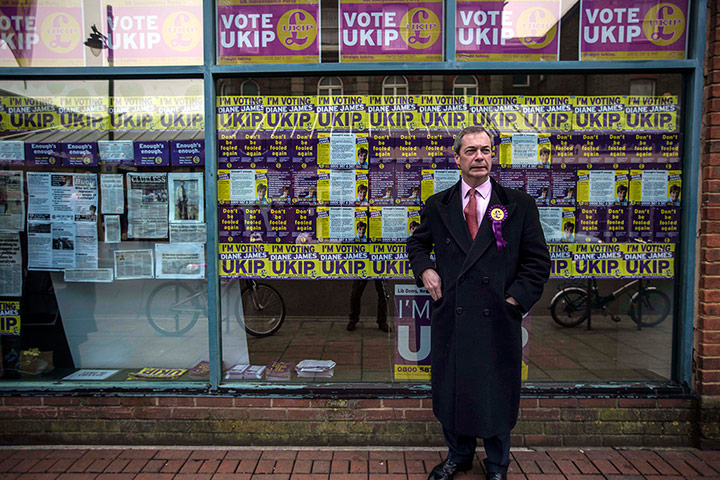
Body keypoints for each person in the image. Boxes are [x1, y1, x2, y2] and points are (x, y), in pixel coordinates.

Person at [407, 126, 551, 480]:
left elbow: (538, 263)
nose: (479, 157)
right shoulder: (438, 205)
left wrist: (514, 300)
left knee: (496, 389)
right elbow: (416, 245)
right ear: (456, 159)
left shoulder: (518, 205)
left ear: (493, 156)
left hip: (497, 316)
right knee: (454, 387)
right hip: (453, 315)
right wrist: (426, 270)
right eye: (470, 151)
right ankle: (459, 455)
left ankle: (498, 463)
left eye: (485, 150)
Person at [348, 222, 390, 333]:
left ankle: (382, 321)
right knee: (356, 292)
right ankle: (353, 318)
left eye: (363, 230)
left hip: (378, 259)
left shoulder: (377, 223)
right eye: (359, 229)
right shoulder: (356, 237)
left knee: (382, 292)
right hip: (363, 262)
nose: (361, 232)